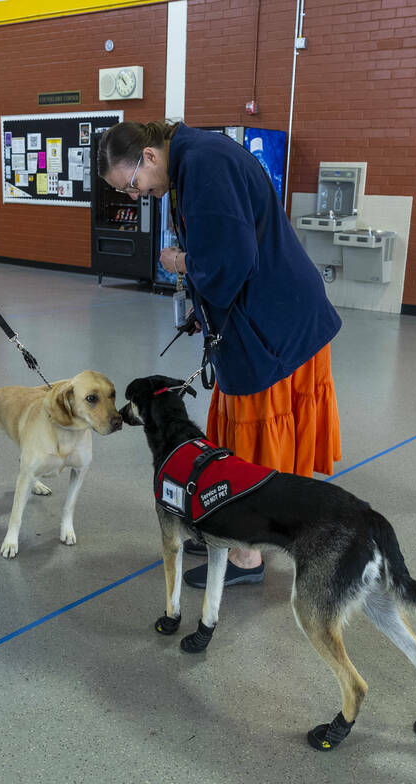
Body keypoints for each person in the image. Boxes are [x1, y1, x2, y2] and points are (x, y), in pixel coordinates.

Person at [98, 121, 343, 587]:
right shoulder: (191, 163)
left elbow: (229, 260)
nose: (134, 197)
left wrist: (180, 262)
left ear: (149, 157)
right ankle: (233, 529)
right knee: (237, 427)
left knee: (255, 437)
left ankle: (248, 555)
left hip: (275, 326)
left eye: (130, 185)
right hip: (264, 315)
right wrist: (202, 311)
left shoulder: (205, 165)